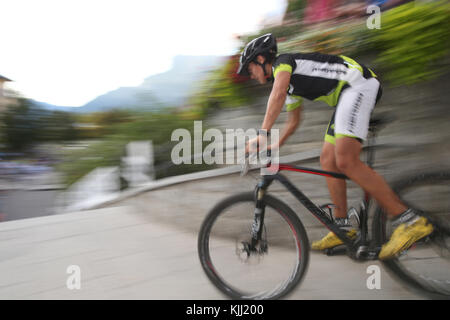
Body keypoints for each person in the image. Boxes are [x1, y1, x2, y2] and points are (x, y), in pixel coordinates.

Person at [238, 33, 433, 260]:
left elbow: (277, 94)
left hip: (357, 84)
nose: (249, 74)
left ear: (261, 59)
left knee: (346, 160)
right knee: (328, 161)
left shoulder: (284, 64)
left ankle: (410, 221)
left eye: (249, 68)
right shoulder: (290, 85)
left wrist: (262, 134)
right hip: (346, 96)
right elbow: (293, 121)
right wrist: (274, 146)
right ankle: (343, 228)